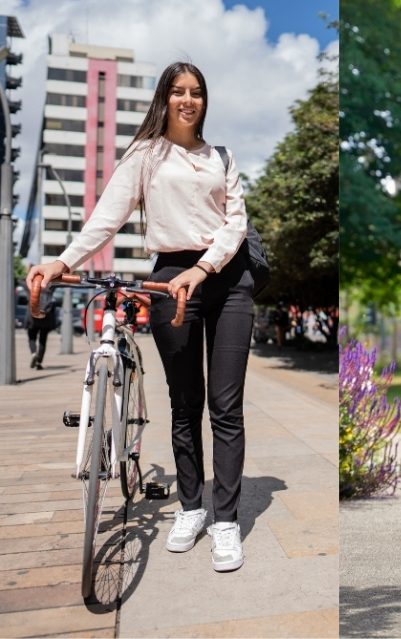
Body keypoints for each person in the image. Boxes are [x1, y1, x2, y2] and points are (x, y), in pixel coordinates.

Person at [27, 61, 251, 573]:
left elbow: (236, 223)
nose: (188, 100)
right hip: (169, 280)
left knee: (225, 406)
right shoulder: (145, 156)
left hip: (229, 280)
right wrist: (62, 262)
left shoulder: (222, 156)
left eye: (196, 92)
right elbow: (105, 218)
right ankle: (192, 508)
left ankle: (225, 522)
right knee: (184, 403)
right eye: (178, 91)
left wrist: (205, 267)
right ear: (164, 98)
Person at [26, 287, 58, 369]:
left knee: (32, 338)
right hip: (46, 319)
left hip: (32, 319)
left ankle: (33, 353)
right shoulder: (49, 288)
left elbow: (21, 280)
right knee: (42, 341)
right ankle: (39, 363)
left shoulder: (31, 286)